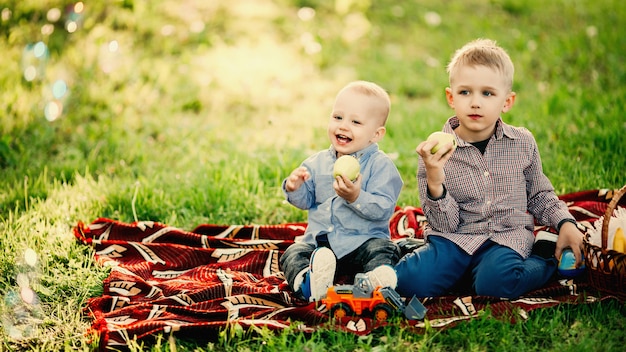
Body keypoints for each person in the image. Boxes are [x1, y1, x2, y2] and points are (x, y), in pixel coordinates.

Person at [394, 39, 584, 299]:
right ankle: (458, 271)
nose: (475, 102)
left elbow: (539, 194)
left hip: (505, 237)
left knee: (495, 285)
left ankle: (544, 256)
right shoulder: (435, 152)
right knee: (408, 281)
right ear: (451, 97)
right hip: (455, 239)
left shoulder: (522, 143)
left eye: (487, 93)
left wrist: (565, 223)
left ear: (507, 101)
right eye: (465, 92)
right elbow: (444, 224)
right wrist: (435, 180)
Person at [279, 80, 403, 302]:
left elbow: (383, 209)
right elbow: (306, 201)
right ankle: (309, 283)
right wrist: (294, 186)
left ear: (376, 134)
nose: (343, 126)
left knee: (384, 249)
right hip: (320, 245)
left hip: (362, 242)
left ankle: (374, 284)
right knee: (293, 253)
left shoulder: (380, 166)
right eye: (338, 117)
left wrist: (355, 197)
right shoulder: (316, 163)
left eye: (355, 121)